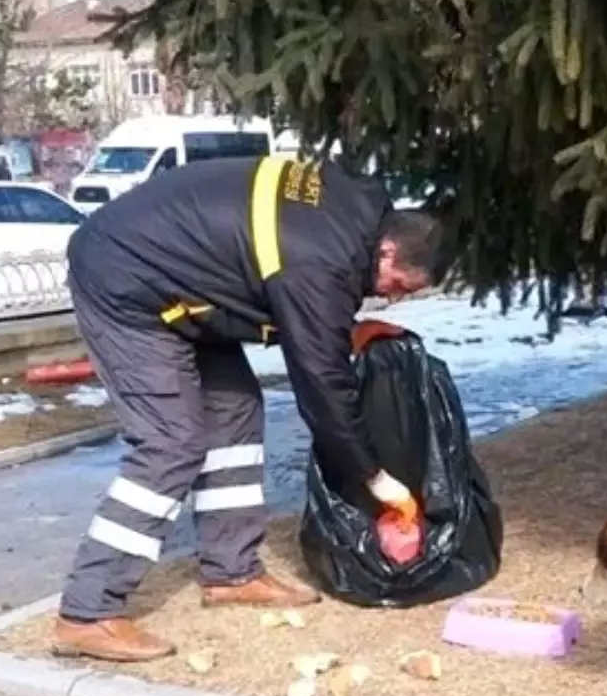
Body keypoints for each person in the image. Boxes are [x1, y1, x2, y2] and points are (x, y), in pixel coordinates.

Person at [52, 153, 446, 662]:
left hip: (192, 280)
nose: (389, 300)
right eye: (396, 287)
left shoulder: (358, 214)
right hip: (126, 280)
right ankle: (87, 612)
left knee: (236, 411)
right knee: (171, 442)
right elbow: (323, 385)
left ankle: (231, 571)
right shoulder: (320, 260)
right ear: (388, 249)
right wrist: (373, 478)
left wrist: (341, 330)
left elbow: (303, 303)